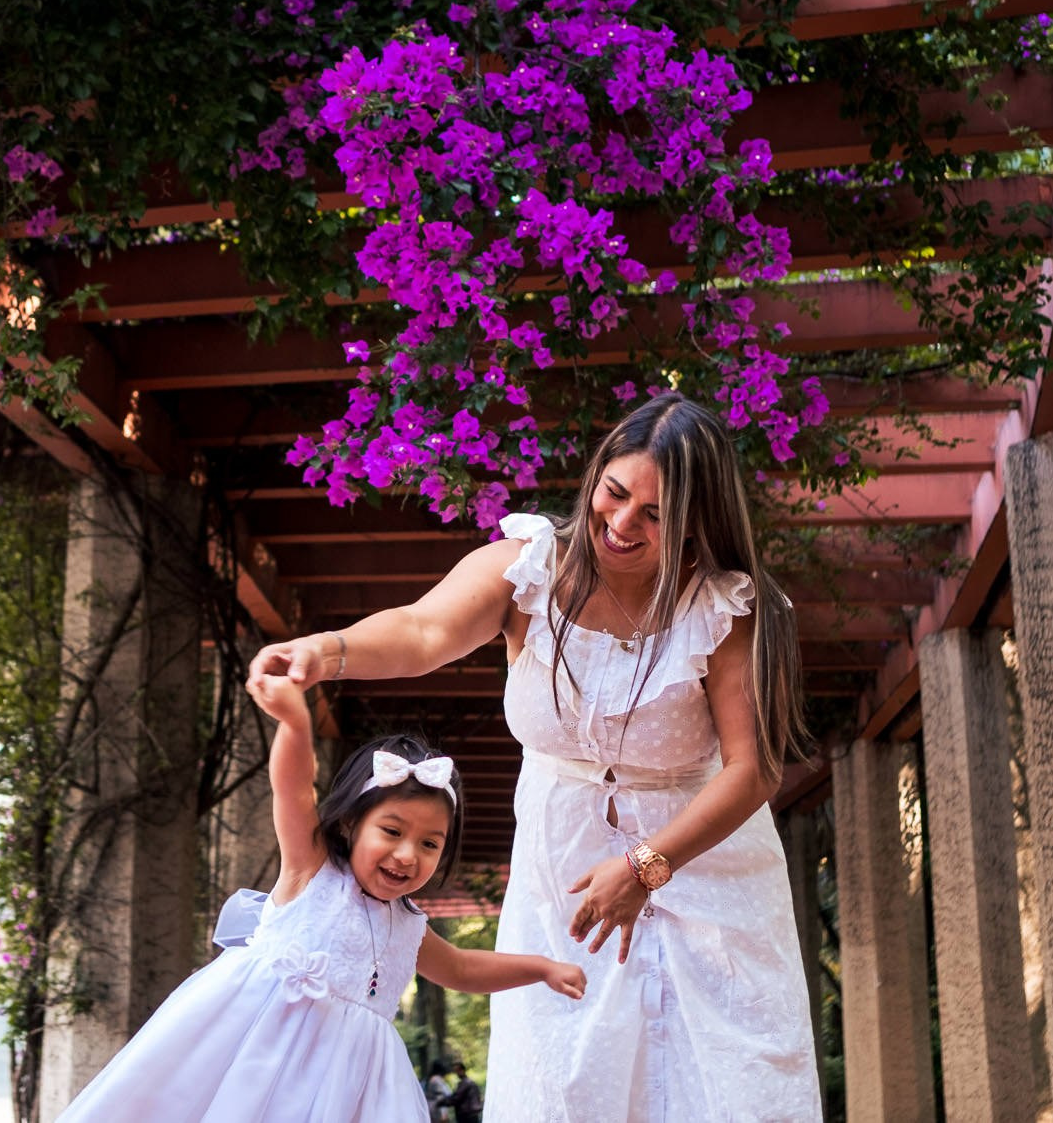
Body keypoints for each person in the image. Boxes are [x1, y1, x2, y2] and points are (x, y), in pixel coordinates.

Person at [248, 393, 821, 1121]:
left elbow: (754, 768)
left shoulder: (725, 604)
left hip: (706, 874)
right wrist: (324, 652)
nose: (620, 524)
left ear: (694, 521)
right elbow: (423, 631)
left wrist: (647, 866)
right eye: (613, 494)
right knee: (568, 1086)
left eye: (655, 514)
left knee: (730, 1086)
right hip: (564, 880)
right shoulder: (528, 569)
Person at [57, 671, 586, 1122]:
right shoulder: (311, 871)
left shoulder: (409, 927)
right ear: (353, 822)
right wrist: (295, 723)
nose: (407, 855)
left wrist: (540, 968)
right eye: (392, 831)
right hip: (257, 1055)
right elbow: (292, 790)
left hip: (349, 1084)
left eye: (430, 843)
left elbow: (464, 970)